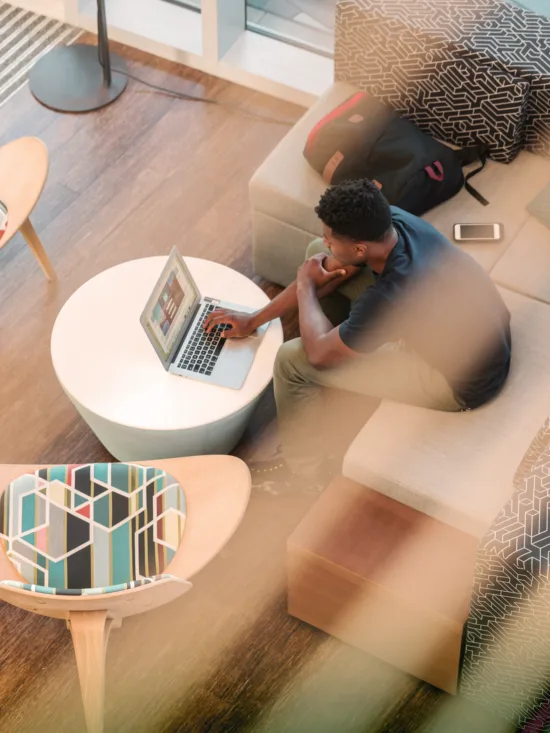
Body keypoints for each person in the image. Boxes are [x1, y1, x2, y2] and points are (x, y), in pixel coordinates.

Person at [204, 179, 512, 490]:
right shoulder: (392, 222)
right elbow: (332, 262)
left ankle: (303, 475)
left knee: (291, 361)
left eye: (330, 238)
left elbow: (318, 355)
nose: (326, 242)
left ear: (360, 247)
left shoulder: (393, 292)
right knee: (316, 256)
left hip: (458, 381)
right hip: (483, 333)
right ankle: (343, 344)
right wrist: (253, 319)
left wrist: (305, 288)